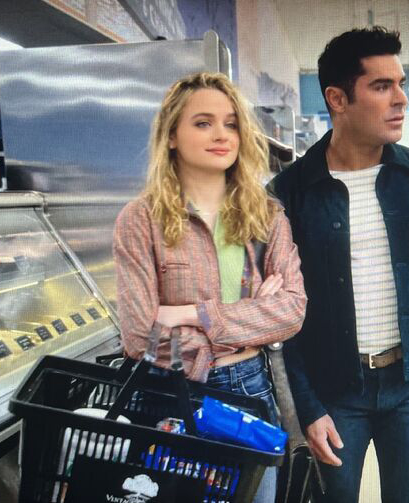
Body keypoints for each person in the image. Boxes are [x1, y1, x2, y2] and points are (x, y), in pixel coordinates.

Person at [270, 27, 409, 503]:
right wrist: (306, 406)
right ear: (337, 98)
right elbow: (282, 319)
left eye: (400, 83)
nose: (401, 99)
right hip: (333, 392)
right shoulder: (290, 195)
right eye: (381, 86)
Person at [113, 72, 306, 503]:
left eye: (231, 123)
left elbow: (292, 310)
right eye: (203, 123)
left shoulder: (267, 217)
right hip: (170, 394)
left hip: (249, 389)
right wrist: (253, 314)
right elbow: (139, 334)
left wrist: (190, 314)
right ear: (172, 137)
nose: (221, 134)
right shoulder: (141, 220)